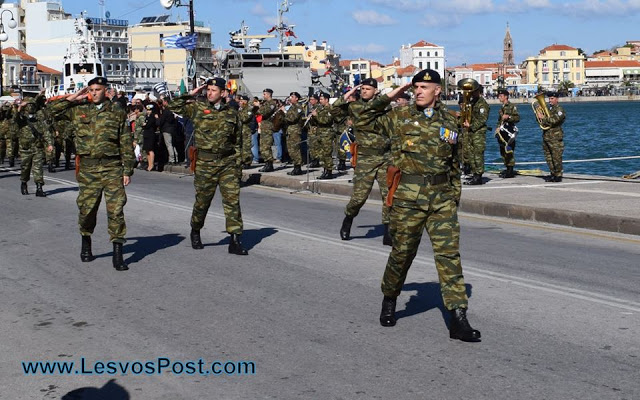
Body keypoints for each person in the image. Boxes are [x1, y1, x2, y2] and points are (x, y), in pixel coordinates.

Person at [370, 69, 481, 342]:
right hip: (408, 199)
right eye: (415, 86)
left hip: (441, 198)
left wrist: (454, 195)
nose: (417, 91)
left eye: (423, 87)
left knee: (449, 256)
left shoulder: (451, 122)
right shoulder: (399, 117)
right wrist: (392, 94)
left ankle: (458, 318)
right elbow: (364, 117)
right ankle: (390, 298)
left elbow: (455, 163)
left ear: (437, 90)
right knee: (402, 253)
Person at [49, 77, 135, 271]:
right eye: (91, 89)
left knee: (116, 210)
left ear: (106, 90)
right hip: (88, 169)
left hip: (112, 167)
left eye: (98, 89)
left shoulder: (117, 112)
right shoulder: (79, 110)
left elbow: (125, 141)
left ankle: (118, 253)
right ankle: (86, 241)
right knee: (87, 210)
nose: (94, 92)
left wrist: (127, 169)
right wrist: (72, 97)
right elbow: (49, 111)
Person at [168, 77, 248, 256]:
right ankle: (195, 230)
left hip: (227, 163)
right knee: (203, 201)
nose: (209, 93)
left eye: (213, 90)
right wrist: (191, 94)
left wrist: (238, 165)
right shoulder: (197, 108)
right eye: (208, 90)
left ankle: (235, 239)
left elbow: (238, 141)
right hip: (205, 163)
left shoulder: (232, 114)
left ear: (223, 93)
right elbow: (172, 106)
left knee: (232, 202)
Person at [333, 78, 392, 246]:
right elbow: (334, 111)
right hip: (365, 158)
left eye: (368, 88)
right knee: (359, 197)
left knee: (389, 196)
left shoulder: (385, 108)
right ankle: (348, 218)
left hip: (385, 157)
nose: (364, 91)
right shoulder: (355, 107)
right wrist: (348, 94)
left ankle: (388, 231)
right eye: (363, 88)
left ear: (376, 91)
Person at [14, 98, 54, 197]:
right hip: (25, 149)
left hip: (37, 147)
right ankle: (24, 183)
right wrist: (19, 107)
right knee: (25, 168)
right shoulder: (22, 119)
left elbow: (46, 132)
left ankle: (39, 188)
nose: (31, 107)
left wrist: (49, 144)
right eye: (29, 105)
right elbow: (16, 117)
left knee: (38, 168)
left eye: (32, 105)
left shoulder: (39, 120)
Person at [536, 91, 566, 182]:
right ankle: (553, 173)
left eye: (552, 98)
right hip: (546, 136)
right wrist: (538, 116)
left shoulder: (559, 110)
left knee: (556, 157)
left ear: (557, 99)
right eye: (549, 98)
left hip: (555, 137)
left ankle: (558, 175)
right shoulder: (549, 110)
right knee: (548, 157)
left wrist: (543, 118)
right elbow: (542, 122)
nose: (550, 100)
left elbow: (554, 120)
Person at [463, 86, 489, 185]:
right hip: (471, 131)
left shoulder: (482, 104)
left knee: (477, 154)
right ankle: (474, 174)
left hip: (478, 132)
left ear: (479, 92)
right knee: (470, 153)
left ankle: (478, 176)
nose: (472, 93)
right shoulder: (472, 103)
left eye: (474, 91)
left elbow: (482, 119)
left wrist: (471, 125)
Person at [495, 88, 520, 178]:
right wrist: (497, 128)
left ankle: (510, 170)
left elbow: (517, 118)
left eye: (501, 96)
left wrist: (508, 117)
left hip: (509, 131)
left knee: (509, 151)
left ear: (506, 97)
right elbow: (500, 120)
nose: (499, 97)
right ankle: (507, 168)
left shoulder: (512, 106)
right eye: (499, 96)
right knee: (503, 151)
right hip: (502, 132)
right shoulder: (501, 108)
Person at [310, 92, 336, 179]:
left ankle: (329, 171)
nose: (320, 101)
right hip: (320, 133)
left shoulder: (330, 109)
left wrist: (316, 116)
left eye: (321, 99)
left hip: (327, 134)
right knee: (322, 154)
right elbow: (317, 122)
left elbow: (326, 121)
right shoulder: (321, 109)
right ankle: (325, 170)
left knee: (327, 153)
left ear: (326, 100)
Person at [255, 88, 278, 172]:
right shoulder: (266, 103)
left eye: (264, 94)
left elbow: (264, 112)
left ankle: (269, 164)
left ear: (269, 94)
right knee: (263, 146)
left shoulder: (271, 103)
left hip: (268, 126)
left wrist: (259, 106)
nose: (263, 96)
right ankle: (267, 163)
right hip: (264, 126)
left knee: (266, 145)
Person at [283, 92, 305, 175]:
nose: (290, 98)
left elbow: (292, 119)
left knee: (295, 149)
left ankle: (298, 167)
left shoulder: (298, 107)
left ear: (296, 98)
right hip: (290, 130)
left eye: (292, 97)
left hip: (295, 131)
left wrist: (284, 111)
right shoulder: (292, 107)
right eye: (290, 96)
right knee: (291, 149)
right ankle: (295, 166)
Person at [158, 97, 179, 165]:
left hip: (167, 129)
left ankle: (172, 159)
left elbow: (162, 121)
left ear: (166, 102)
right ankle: (176, 158)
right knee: (172, 144)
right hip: (172, 129)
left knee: (169, 145)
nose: (163, 103)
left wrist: (157, 119)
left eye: (163, 101)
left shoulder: (166, 111)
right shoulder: (173, 110)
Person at [237, 95, 255, 169]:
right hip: (240, 130)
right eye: (240, 101)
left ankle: (247, 162)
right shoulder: (240, 109)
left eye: (242, 101)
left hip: (246, 131)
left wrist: (238, 114)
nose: (240, 102)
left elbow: (244, 118)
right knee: (240, 147)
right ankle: (242, 161)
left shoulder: (248, 109)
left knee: (246, 147)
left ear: (245, 101)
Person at [141, 104, 159, 171]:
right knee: (147, 150)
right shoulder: (147, 117)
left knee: (150, 149)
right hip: (146, 134)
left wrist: (145, 125)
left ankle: (151, 165)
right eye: (147, 110)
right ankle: (149, 164)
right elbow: (144, 125)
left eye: (150, 110)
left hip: (150, 134)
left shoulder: (152, 117)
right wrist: (144, 125)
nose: (148, 111)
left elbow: (148, 125)